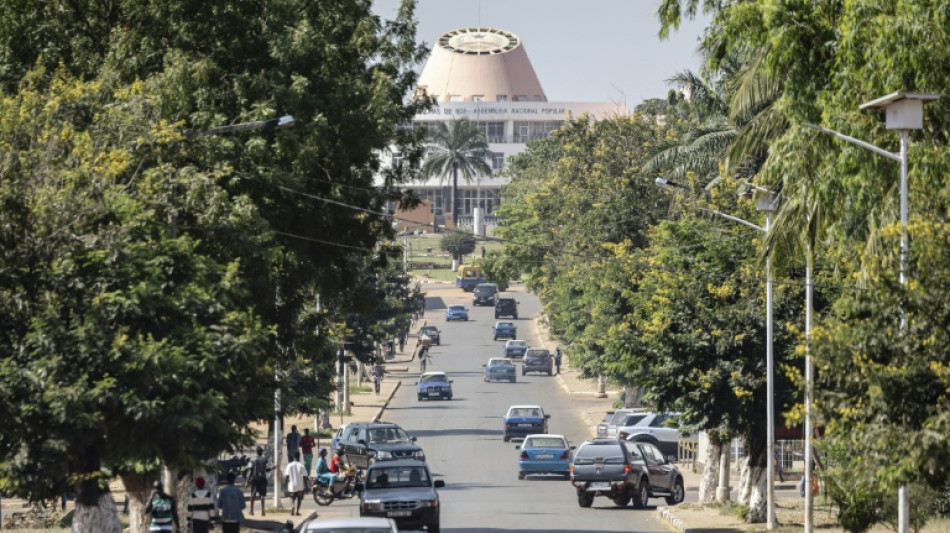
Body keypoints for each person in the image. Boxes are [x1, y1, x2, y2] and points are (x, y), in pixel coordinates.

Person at [247, 446, 271, 516]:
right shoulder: (265, 459)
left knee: (252, 495)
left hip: (255, 479)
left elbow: (250, 471)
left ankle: (251, 511)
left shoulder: (252, 460)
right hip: (263, 479)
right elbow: (267, 469)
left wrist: (247, 481)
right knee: (262, 495)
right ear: (262, 452)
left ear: (256, 452)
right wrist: (272, 468)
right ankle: (263, 511)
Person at [283, 452, 307, 516]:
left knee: (292, 497)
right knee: (299, 498)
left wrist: (285, 484)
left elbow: (287, 476)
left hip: (292, 484)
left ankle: (293, 505)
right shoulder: (301, 465)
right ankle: (297, 511)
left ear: (293, 457)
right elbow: (305, 476)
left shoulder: (289, 465)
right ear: (299, 457)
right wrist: (306, 485)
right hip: (300, 485)